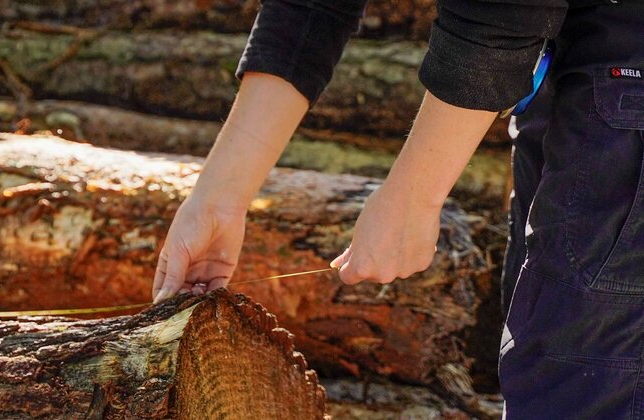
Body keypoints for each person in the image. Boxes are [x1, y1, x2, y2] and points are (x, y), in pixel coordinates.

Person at [149, 0, 644, 417]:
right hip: (574, 64)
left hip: (624, 72)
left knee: (573, 388)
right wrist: (219, 198)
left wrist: (414, 195)